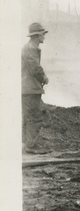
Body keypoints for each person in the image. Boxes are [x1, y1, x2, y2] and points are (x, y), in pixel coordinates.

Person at [21, 22, 50, 154]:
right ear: (37, 35)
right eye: (43, 34)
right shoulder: (30, 49)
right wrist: (44, 77)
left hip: (27, 88)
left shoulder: (30, 48)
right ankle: (31, 146)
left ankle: (26, 143)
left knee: (28, 115)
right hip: (30, 88)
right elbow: (35, 69)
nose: (44, 36)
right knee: (34, 116)